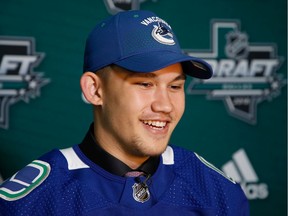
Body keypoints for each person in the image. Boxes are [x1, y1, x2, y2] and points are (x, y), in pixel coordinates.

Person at [0, 10, 249, 215]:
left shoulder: (216, 192)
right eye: (145, 84)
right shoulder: (33, 202)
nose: (165, 105)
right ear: (95, 89)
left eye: (175, 86)